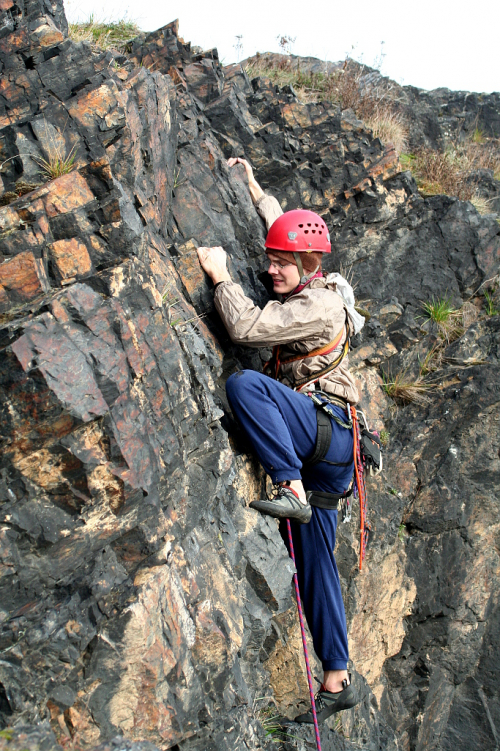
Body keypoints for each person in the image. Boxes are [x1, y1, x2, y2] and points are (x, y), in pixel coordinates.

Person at [197, 157, 363, 724]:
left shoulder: (318, 302)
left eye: (280, 263)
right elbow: (282, 223)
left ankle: (287, 485)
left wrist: (220, 275)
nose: (269, 270)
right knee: (315, 561)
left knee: (247, 385)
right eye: (266, 260)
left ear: (309, 264)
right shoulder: (312, 280)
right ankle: (338, 677)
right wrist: (251, 187)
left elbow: (244, 329)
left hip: (326, 433)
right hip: (333, 451)